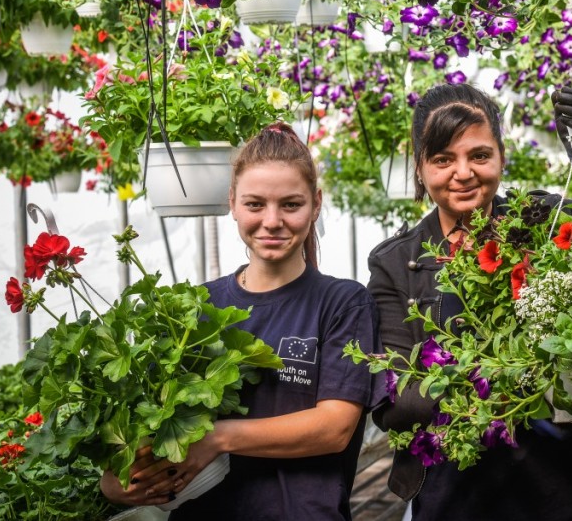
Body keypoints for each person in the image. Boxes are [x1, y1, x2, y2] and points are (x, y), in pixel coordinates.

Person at [368, 83, 572, 521]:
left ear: (502, 158)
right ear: (420, 168)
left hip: (564, 485)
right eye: (443, 159)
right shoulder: (396, 262)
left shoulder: (544, 222)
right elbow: (395, 401)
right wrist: (523, 380)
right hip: (455, 493)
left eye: (479, 155)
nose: (463, 172)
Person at [100, 122, 380, 520]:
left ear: (315, 204)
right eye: (254, 204)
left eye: (290, 204)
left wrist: (218, 438)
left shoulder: (342, 303)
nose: (271, 220)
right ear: (232, 202)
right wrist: (118, 479)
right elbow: (150, 425)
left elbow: (333, 428)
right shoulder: (197, 308)